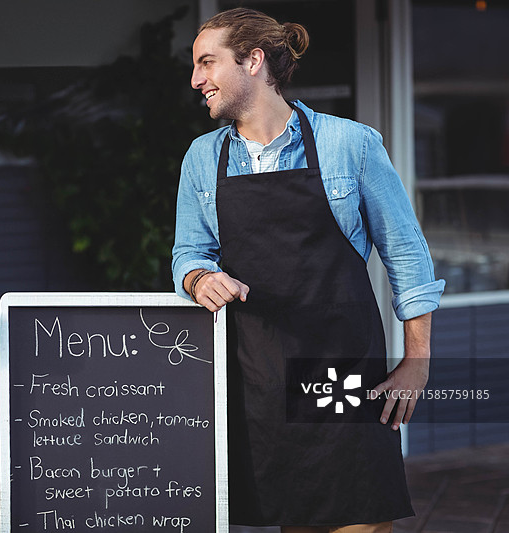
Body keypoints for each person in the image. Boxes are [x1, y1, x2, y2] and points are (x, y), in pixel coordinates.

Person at [171, 8, 445, 533]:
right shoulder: (203, 159)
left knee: (360, 518)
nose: (195, 79)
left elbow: (407, 256)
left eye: (207, 62)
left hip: (343, 368)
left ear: (253, 61)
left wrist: (417, 362)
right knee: (296, 519)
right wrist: (200, 278)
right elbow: (189, 252)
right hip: (262, 376)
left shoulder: (351, 144)